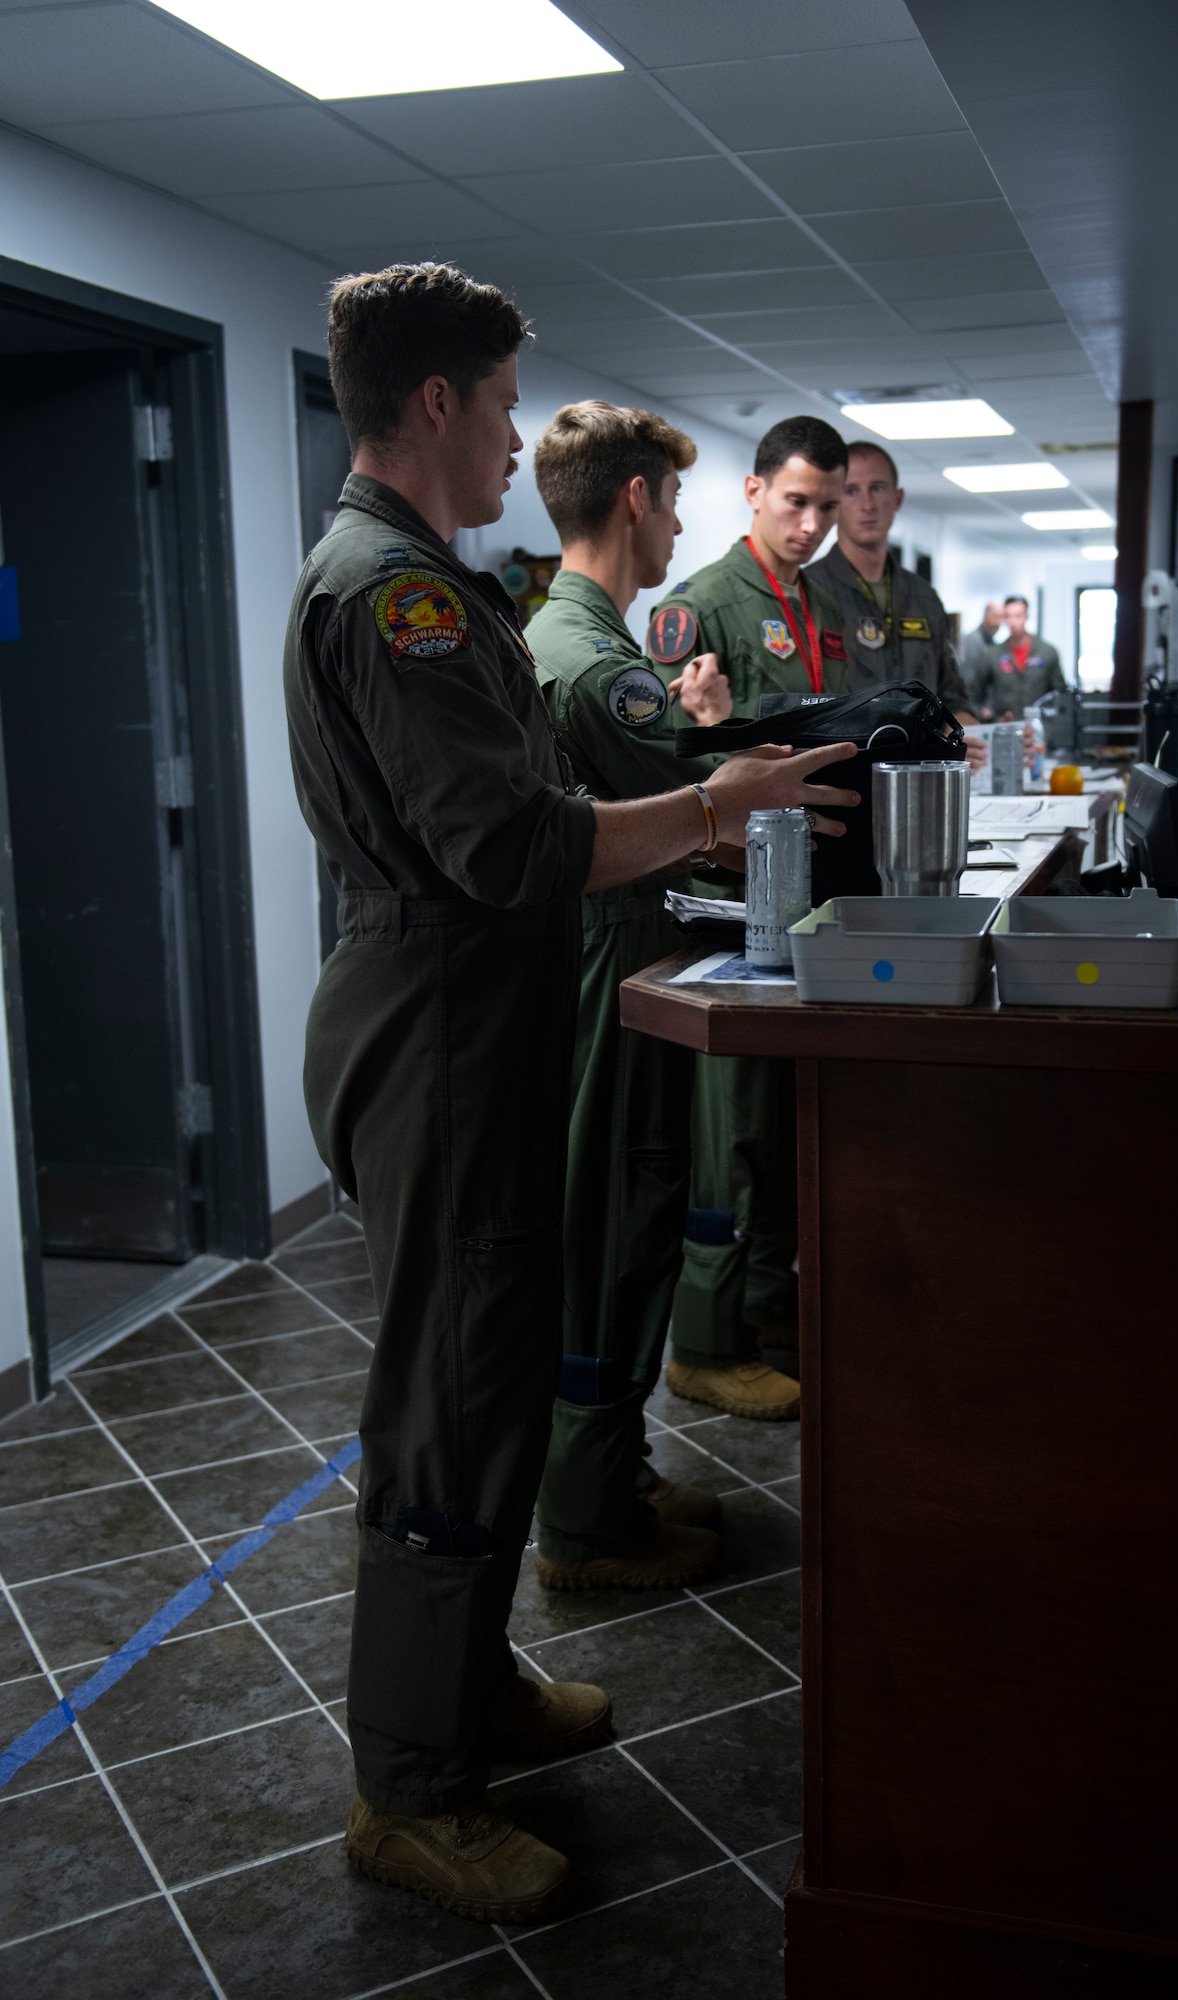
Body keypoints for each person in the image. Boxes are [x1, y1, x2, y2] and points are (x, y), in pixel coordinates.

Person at [283, 263, 858, 1925]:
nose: (519, 433)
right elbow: (509, 843)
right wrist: (706, 804)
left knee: (498, 1361)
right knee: (449, 1400)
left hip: (476, 1020)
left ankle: (465, 1696)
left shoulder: (430, 582)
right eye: (506, 399)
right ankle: (411, 1788)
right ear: (441, 403)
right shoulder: (383, 593)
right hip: (437, 1028)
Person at [524, 401, 747, 1592]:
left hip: (607, 951)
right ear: (634, 500)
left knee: (621, 1215)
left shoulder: (570, 642)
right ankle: (587, 1518)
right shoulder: (599, 665)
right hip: (613, 961)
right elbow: (706, 814)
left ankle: (613, 1468)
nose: (678, 525)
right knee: (614, 1224)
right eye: (673, 499)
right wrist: (718, 744)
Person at [646, 416, 853, 1423]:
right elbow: (668, 774)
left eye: (827, 505)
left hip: (803, 897)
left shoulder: (815, 599)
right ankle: (706, 1338)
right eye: (795, 501)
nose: (811, 523)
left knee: (777, 1120)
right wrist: (712, 729)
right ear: (753, 491)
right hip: (728, 905)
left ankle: (771, 1308)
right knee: (728, 1132)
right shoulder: (700, 607)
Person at [806, 439, 975, 715]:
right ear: (833, 504)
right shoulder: (807, 590)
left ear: (897, 498)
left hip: (920, 757)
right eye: (851, 491)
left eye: (877, 488)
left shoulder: (924, 596)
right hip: (844, 756)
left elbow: (953, 697)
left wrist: (972, 727)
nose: (867, 504)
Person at [969, 593, 1066, 718]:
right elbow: (972, 694)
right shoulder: (992, 655)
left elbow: (1060, 695)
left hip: (1040, 727)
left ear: (1026, 616)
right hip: (1004, 726)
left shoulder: (1047, 652)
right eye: (1008, 616)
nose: (1013, 622)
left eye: (1018, 616)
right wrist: (984, 714)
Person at [958, 597, 1008, 704]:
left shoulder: (993, 644)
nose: (997, 622)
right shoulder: (971, 642)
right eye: (995, 616)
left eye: (1001, 617)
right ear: (986, 616)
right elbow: (968, 681)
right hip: (973, 705)